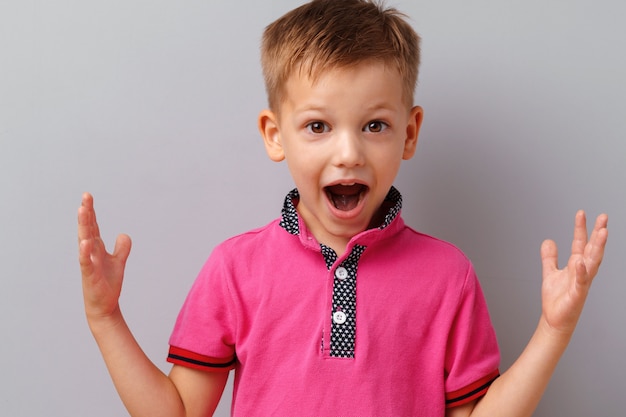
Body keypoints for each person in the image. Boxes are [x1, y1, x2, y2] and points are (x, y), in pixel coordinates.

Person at [77, 1, 609, 416]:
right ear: (274, 134)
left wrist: (553, 331)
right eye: (318, 126)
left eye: (374, 125)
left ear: (410, 132)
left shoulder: (450, 277)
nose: (348, 152)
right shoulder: (235, 269)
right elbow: (177, 411)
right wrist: (106, 319)